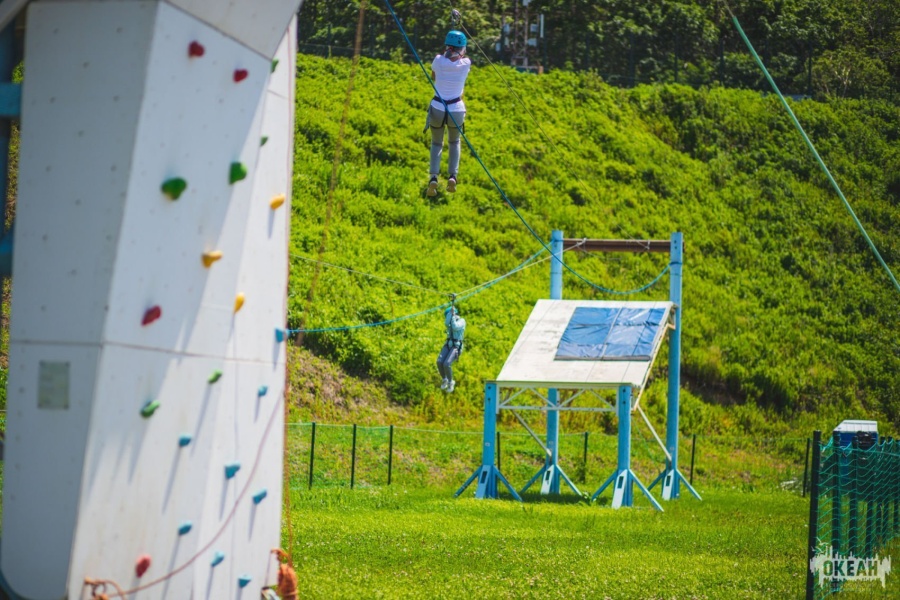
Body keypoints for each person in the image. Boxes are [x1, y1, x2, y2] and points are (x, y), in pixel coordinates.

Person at [426, 30, 471, 197]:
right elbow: (459, 60)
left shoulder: (438, 60)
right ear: (462, 48)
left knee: (436, 143)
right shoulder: (466, 63)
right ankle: (452, 176)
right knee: (454, 142)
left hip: (438, 106)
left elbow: (434, 76)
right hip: (456, 109)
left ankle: (433, 177)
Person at [437, 305, 466, 392]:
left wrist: (452, 316)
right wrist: (451, 315)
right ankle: (444, 379)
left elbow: (455, 327)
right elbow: (447, 324)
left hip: (456, 346)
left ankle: (450, 382)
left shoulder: (462, 321)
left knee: (446, 364)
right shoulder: (449, 322)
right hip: (448, 344)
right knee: (439, 362)